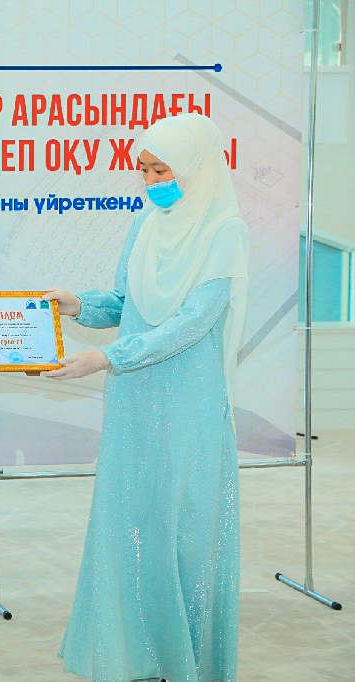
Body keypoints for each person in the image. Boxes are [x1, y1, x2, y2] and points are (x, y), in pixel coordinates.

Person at [43, 113, 249, 682]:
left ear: (196, 168)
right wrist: (77, 305)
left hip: (189, 404)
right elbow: (123, 302)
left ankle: (184, 662)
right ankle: (137, 658)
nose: (152, 180)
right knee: (132, 522)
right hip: (135, 399)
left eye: (163, 170)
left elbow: (195, 322)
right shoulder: (146, 224)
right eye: (145, 169)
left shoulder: (223, 231)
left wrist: (109, 357)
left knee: (184, 528)